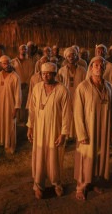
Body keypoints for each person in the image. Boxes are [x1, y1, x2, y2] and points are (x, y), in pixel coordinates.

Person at [27, 62, 72, 199]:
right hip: (39, 130)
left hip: (55, 129)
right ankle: (38, 185)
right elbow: (32, 110)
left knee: (55, 158)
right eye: (43, 73)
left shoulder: (62, 90)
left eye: (49, 74)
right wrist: (30, 127)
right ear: (40, 74)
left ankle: (56, 183)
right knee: (39, 157)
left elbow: (66, 114)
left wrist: (63, 133)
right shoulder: (37, 88)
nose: (46, 76)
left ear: (55, 74)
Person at [74, 56, 112, 201]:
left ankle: (92, 182)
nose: (99, 67)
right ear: (90, 68)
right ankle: (81, 186)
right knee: (86, 157)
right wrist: (82, 134)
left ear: (104, 68)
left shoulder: (109, 87)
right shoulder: (82, 87)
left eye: (101, 65)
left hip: (103, 129)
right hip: (88, 130)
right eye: (95, 65)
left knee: (98, 156)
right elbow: (77, 112)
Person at [0, 55, 21, 154]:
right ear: (0, 64)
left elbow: (18, 94)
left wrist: (16, 108)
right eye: (4, 63)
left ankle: (10, 146)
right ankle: (1, 142)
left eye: (9, 62)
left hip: (10, 105)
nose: (7, 65)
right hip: (0, 105)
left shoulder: (15, 77)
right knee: (1, 123)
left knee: (10, 125)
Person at [57, 47, 86, 140]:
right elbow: (59, 84)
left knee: (78, 115)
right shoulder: (61, 71)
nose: (71, 57)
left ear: (76, 56)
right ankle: (66, 135)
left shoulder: (82, 70)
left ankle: (78, 134)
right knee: (66, 115)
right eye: (69, 56)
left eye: (73, 55)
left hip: (78, 95)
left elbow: (85, 84)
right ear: (66, 57)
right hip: (66, 96)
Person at [11, 44, 34, 124]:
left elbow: (31, 73)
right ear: (19, 50)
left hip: (26, 86)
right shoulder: (13, 61)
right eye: (22, 49)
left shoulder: (30, 62)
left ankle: (24, 120)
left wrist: (26, 83)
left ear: (27, 51)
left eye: (25, 49)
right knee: (16, 102)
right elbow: (12, 73)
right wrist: (18, 83)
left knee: (25, 102)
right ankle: (16, 119)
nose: (24, 50)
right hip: (16, 85)